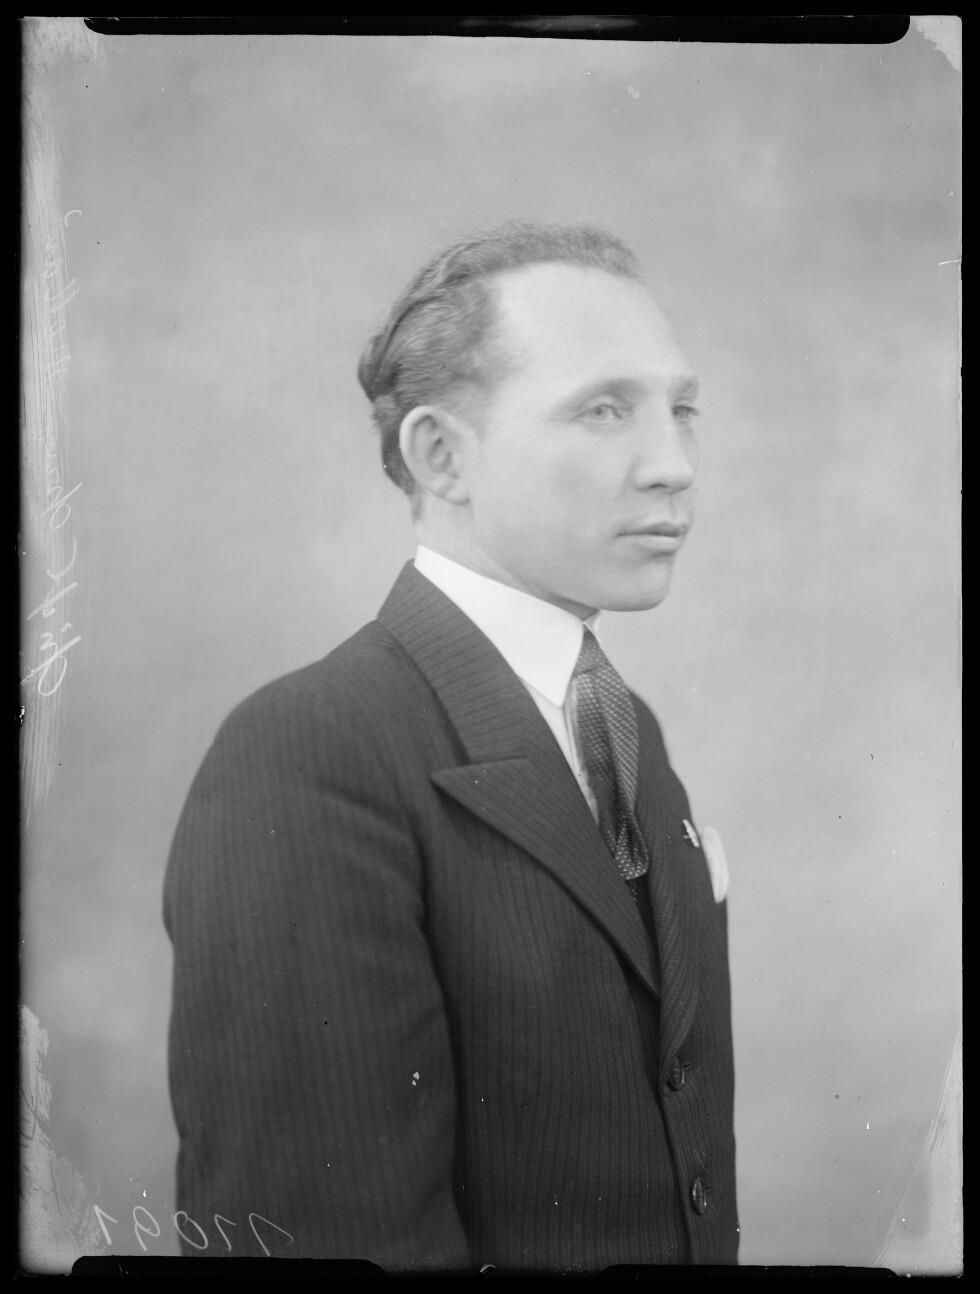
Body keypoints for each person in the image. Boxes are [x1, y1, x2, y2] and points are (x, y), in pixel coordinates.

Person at [163, 221, 738, 1272]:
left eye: (681, 409)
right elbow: (322, 1237)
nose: (673, 466)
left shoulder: (625, 728)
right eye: (604, 409)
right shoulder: (311, 750)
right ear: (441, 456)